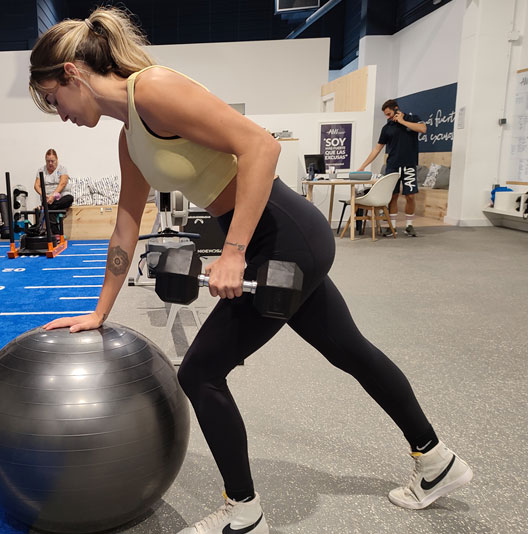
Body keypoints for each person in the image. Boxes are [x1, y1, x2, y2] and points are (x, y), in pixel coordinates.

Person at [30, 8, 472, 534]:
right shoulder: (129, 138)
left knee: (200, 372)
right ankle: (437, 461)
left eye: (55, 101)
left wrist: (234, 250)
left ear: (72, 74)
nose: (60, 116)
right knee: (350, 350)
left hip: (283, 235)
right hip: (278, 237)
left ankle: (244, 513)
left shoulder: (154, 89)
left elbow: (261, 145)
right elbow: (126, 225)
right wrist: (98, 312)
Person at [358, 99, 427, 237]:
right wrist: (363, 166)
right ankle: (392, 226)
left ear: (396, 109)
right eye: (386, 115)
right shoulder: (387, 128)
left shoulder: (413, 119)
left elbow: (423, 129)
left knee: (410, 196)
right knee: (393, 196)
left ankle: (409, 226)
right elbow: (377, 149)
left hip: (409, 165)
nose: (388, 117)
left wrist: (402, 122)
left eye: (389, 114)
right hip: (392, 166)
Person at [35, 148, 74, 234]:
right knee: (48, 204)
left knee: (69, 198)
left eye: (52, 161)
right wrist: (44, 195)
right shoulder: (41, 170)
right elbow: (36, 186)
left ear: (57, 160)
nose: (50, 163)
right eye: (48, 161)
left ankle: (48, 208)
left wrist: (53, 196)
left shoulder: (62, 169)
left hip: (60, 197)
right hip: (47, 198)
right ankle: (56, 232)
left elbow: (62, 183)